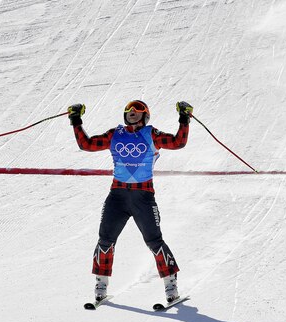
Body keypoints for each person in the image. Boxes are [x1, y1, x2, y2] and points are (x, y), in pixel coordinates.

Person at [68, 99, 193, 302]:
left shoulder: (151, 134)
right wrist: (76, 120)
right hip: (117, 196)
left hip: (143, 197)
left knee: (154, 241)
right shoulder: (115, 134)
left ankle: (171, 285)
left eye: (137, 109)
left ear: (145, 115)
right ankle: (101, 284)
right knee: (105, 239)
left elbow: (178, 142)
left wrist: (184, 118)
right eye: (128, 110)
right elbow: (87, 144)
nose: (132, 112)